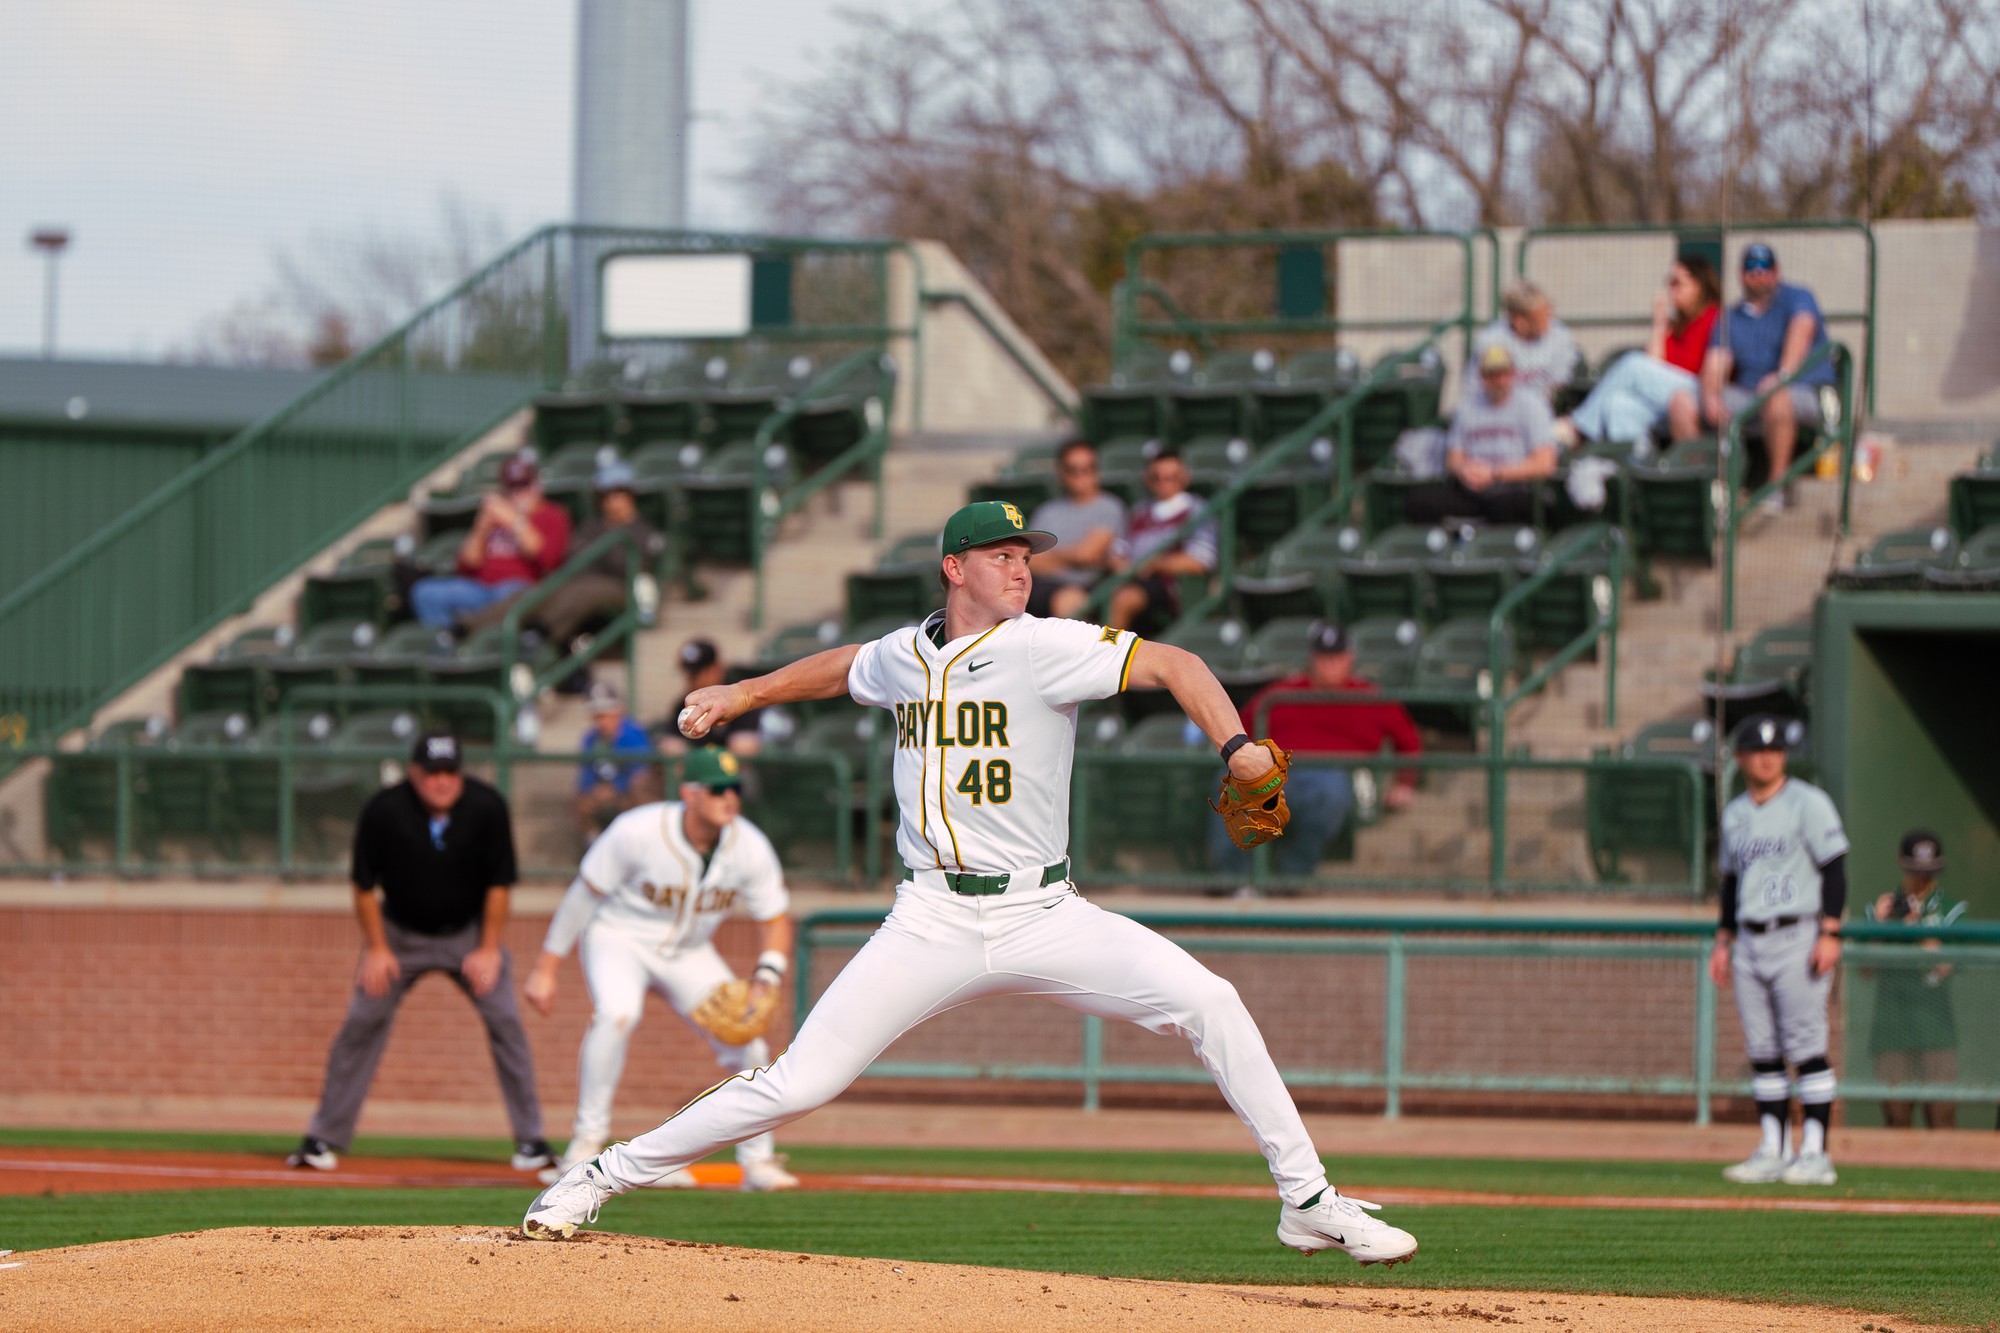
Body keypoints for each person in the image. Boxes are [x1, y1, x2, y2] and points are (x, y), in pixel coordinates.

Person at [524, 499, 1419, 1265]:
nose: (1021, 568)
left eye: (1026, 556)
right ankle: (599, 1174)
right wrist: (745, 693)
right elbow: (844, 666)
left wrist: (1237, 745)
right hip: (930, 916)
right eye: (1001, 555)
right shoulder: (905, 654)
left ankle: (1308, 1198)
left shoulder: (1048, 646)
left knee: (1212, 1000)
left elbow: (1176, 664)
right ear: (955, 568)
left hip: (1045, 909)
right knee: (799, 1082)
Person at [526, 746, 801, 1192]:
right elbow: (584, 894)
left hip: (689, 952)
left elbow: (774, 919)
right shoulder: (637, 830)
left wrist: (766, 976)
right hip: (620, 937)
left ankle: (757, 1162)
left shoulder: (748, 845)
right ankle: (584, 1145)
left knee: (749, 1044)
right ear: (689, 793)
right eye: (717, 789)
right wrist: (546, 965)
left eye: (734, 788)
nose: (729, 798)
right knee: (616, 1014)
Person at [287, 732, 552, 1173]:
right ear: (414, 773)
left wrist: (489, 949)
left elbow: (499, 884)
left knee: (506, 1021)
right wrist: (377, 948)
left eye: (450, 772)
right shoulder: (385, 809)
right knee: (360, 1023)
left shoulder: (486, 806)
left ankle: (532, 1141)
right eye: (432, 773)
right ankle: (322, 1138)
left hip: (469, 935)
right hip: (398, 935)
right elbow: (363, 886)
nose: (442, 781)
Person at [1708, 714, 1849, 1187]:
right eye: (1758, 750)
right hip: (1750, 939)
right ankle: (1773, 1148)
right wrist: (1723, 940)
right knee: (1764, 1051)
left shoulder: (1808, 802)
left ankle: (1815, 1153)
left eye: (1775, 750)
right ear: (1741, 757)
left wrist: (1831, 932)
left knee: (1807, 1047)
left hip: (1797, 934)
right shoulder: (1735, 813)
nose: (1768, 758)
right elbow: (1730, 882)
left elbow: (1835, 867)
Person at [1209, 622, 1422, 885]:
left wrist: (1404, 784)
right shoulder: (1281, 692)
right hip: (1278, 771)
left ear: (1350, 658)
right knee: (1231, 780)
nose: (1330, 664)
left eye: (1337, 657)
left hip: (1337, 776)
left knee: (1330, 791)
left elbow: (1409, 743)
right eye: (1323, 658)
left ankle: (1291, 877)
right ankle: (1233, 881)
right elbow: (1239, 731)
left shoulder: (1372, 696)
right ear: (1312, 659)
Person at [1668, 242, 1834, 513]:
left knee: (1776, 396)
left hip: (1804, 393)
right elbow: (1715, 365)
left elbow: (1801, 331)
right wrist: (1710, 396)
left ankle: (1776, 489)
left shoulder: (1797, 297)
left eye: (1764, 266)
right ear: (1741, 273)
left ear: (1776, 271)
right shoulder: (1732, 317)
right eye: (1751, 267)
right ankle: (1703, 490)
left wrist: (1782, 375)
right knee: (1682, 401)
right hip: (1751, 396)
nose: (1758, 273)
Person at [461, 457, 662, 653]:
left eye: (619, 493)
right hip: (577, 582)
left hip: (619, 588)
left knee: (581, 591)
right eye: (606, 494)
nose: (613, 500)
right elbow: (572, 557)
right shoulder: (591, 526)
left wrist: (597, 556)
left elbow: (625, 566)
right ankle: (469, 627)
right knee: (533, 593)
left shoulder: (640, 529)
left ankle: (539, 634)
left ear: (630, 495)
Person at [1555, 254, 1722, 450]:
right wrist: (1659, 324)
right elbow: (1654, 363)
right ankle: (1636, 460)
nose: (1670, 289)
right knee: (1617, 404)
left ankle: (1578, 427)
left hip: (1698, 393)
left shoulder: (1715, 317)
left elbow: (1650, 368)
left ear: (1699, 285)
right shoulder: (1676, 325)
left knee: (1633, 363)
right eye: (1669, 282)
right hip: (1667, 398)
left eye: (1677, 283)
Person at [1865, 830, 1966, 1130]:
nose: (1923, 878)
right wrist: (1881, 927)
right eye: (1916, 870)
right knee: (1896, 1118)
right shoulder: (1883, 909)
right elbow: (1865, 970)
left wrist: (1920, 927)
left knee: (1942, 1117)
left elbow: (1946, 966)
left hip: (1937, 1030)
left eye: (1929, 871)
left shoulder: (1951, 909)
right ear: (1901, 863)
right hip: (1891, 1030)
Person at [411, 453, 573, 629]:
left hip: (519, 590)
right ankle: (445, 641)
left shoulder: (553, 515)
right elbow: (465, 567)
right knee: (426, 592)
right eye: (512, 488)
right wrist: (480, 529)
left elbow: (549, 560)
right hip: (479, 588)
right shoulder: (495, 516)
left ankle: (472, 636)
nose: (518, 495)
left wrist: (515, 521)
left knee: (508, 596)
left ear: (537, 485)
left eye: (524, 486)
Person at [1404, 343, 1560, 526]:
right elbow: (1454, 458)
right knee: (1420, 502)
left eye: (1503, 373)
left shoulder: (1532, 405)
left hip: (1517, 489)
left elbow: (1544, 464)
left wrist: (1495, 473)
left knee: (1504, 506)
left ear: (1513, 374)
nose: (1499, 380)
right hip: (1475, 491)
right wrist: (1464, 470)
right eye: (1492, 375)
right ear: (1482, 376)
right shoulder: (1467, 407)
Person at [1105, 449, 1218, 632]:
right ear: (1147, 479)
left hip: (1172, 586)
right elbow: (1118, 550)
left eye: (1171, 478)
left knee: (1123, 599)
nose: (1164, 483)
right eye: (1157, 478)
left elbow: (1200, 561)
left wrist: (1153, 564)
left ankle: (1109, 648)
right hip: (1133, 580)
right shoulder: (1140, 511)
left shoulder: (1196, 510)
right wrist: (1120, 564)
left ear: (1184, 478)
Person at [1026, 440, 1125, 620]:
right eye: (1072, 469)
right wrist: (1075, 556)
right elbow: (1029, 560)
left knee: (1068, 600)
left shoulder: (1109, 507)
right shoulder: (1047, 510)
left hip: (1089, 587)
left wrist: (1050, 556)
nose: (1080, 475)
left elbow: (1087, 554)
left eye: (1088, 468)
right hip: (1041, 585)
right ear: (1061, 473)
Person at [573, 681, 659, 841]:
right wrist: (595, 791)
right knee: (579, 801)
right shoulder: (590, 738)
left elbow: (640, 774)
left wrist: (615, 788)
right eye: (596, 715)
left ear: (619, 711)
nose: (601, 721)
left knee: (638, 792)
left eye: (605, 714)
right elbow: (585, 779)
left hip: (628, 794)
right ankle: (594, 845)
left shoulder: (633, 734)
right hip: (602, 794)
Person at [1474, 280, 1581, 405]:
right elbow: (1477, 388)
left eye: (1548, 313)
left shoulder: (1560, 335)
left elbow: (1560, 384)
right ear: (1519, 321)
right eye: (1542, 317)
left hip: (1546, 409)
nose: (1549, 321)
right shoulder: (1490, 340)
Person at [656, 639, 761, 758]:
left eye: (696, 674)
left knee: (742, 745)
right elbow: (671, 741)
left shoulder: (735, 695)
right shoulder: (684, 703)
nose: (690, 679)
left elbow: (746, 742)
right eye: (688, 673)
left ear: (715, 669)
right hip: (697, 766)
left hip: (734, 766)